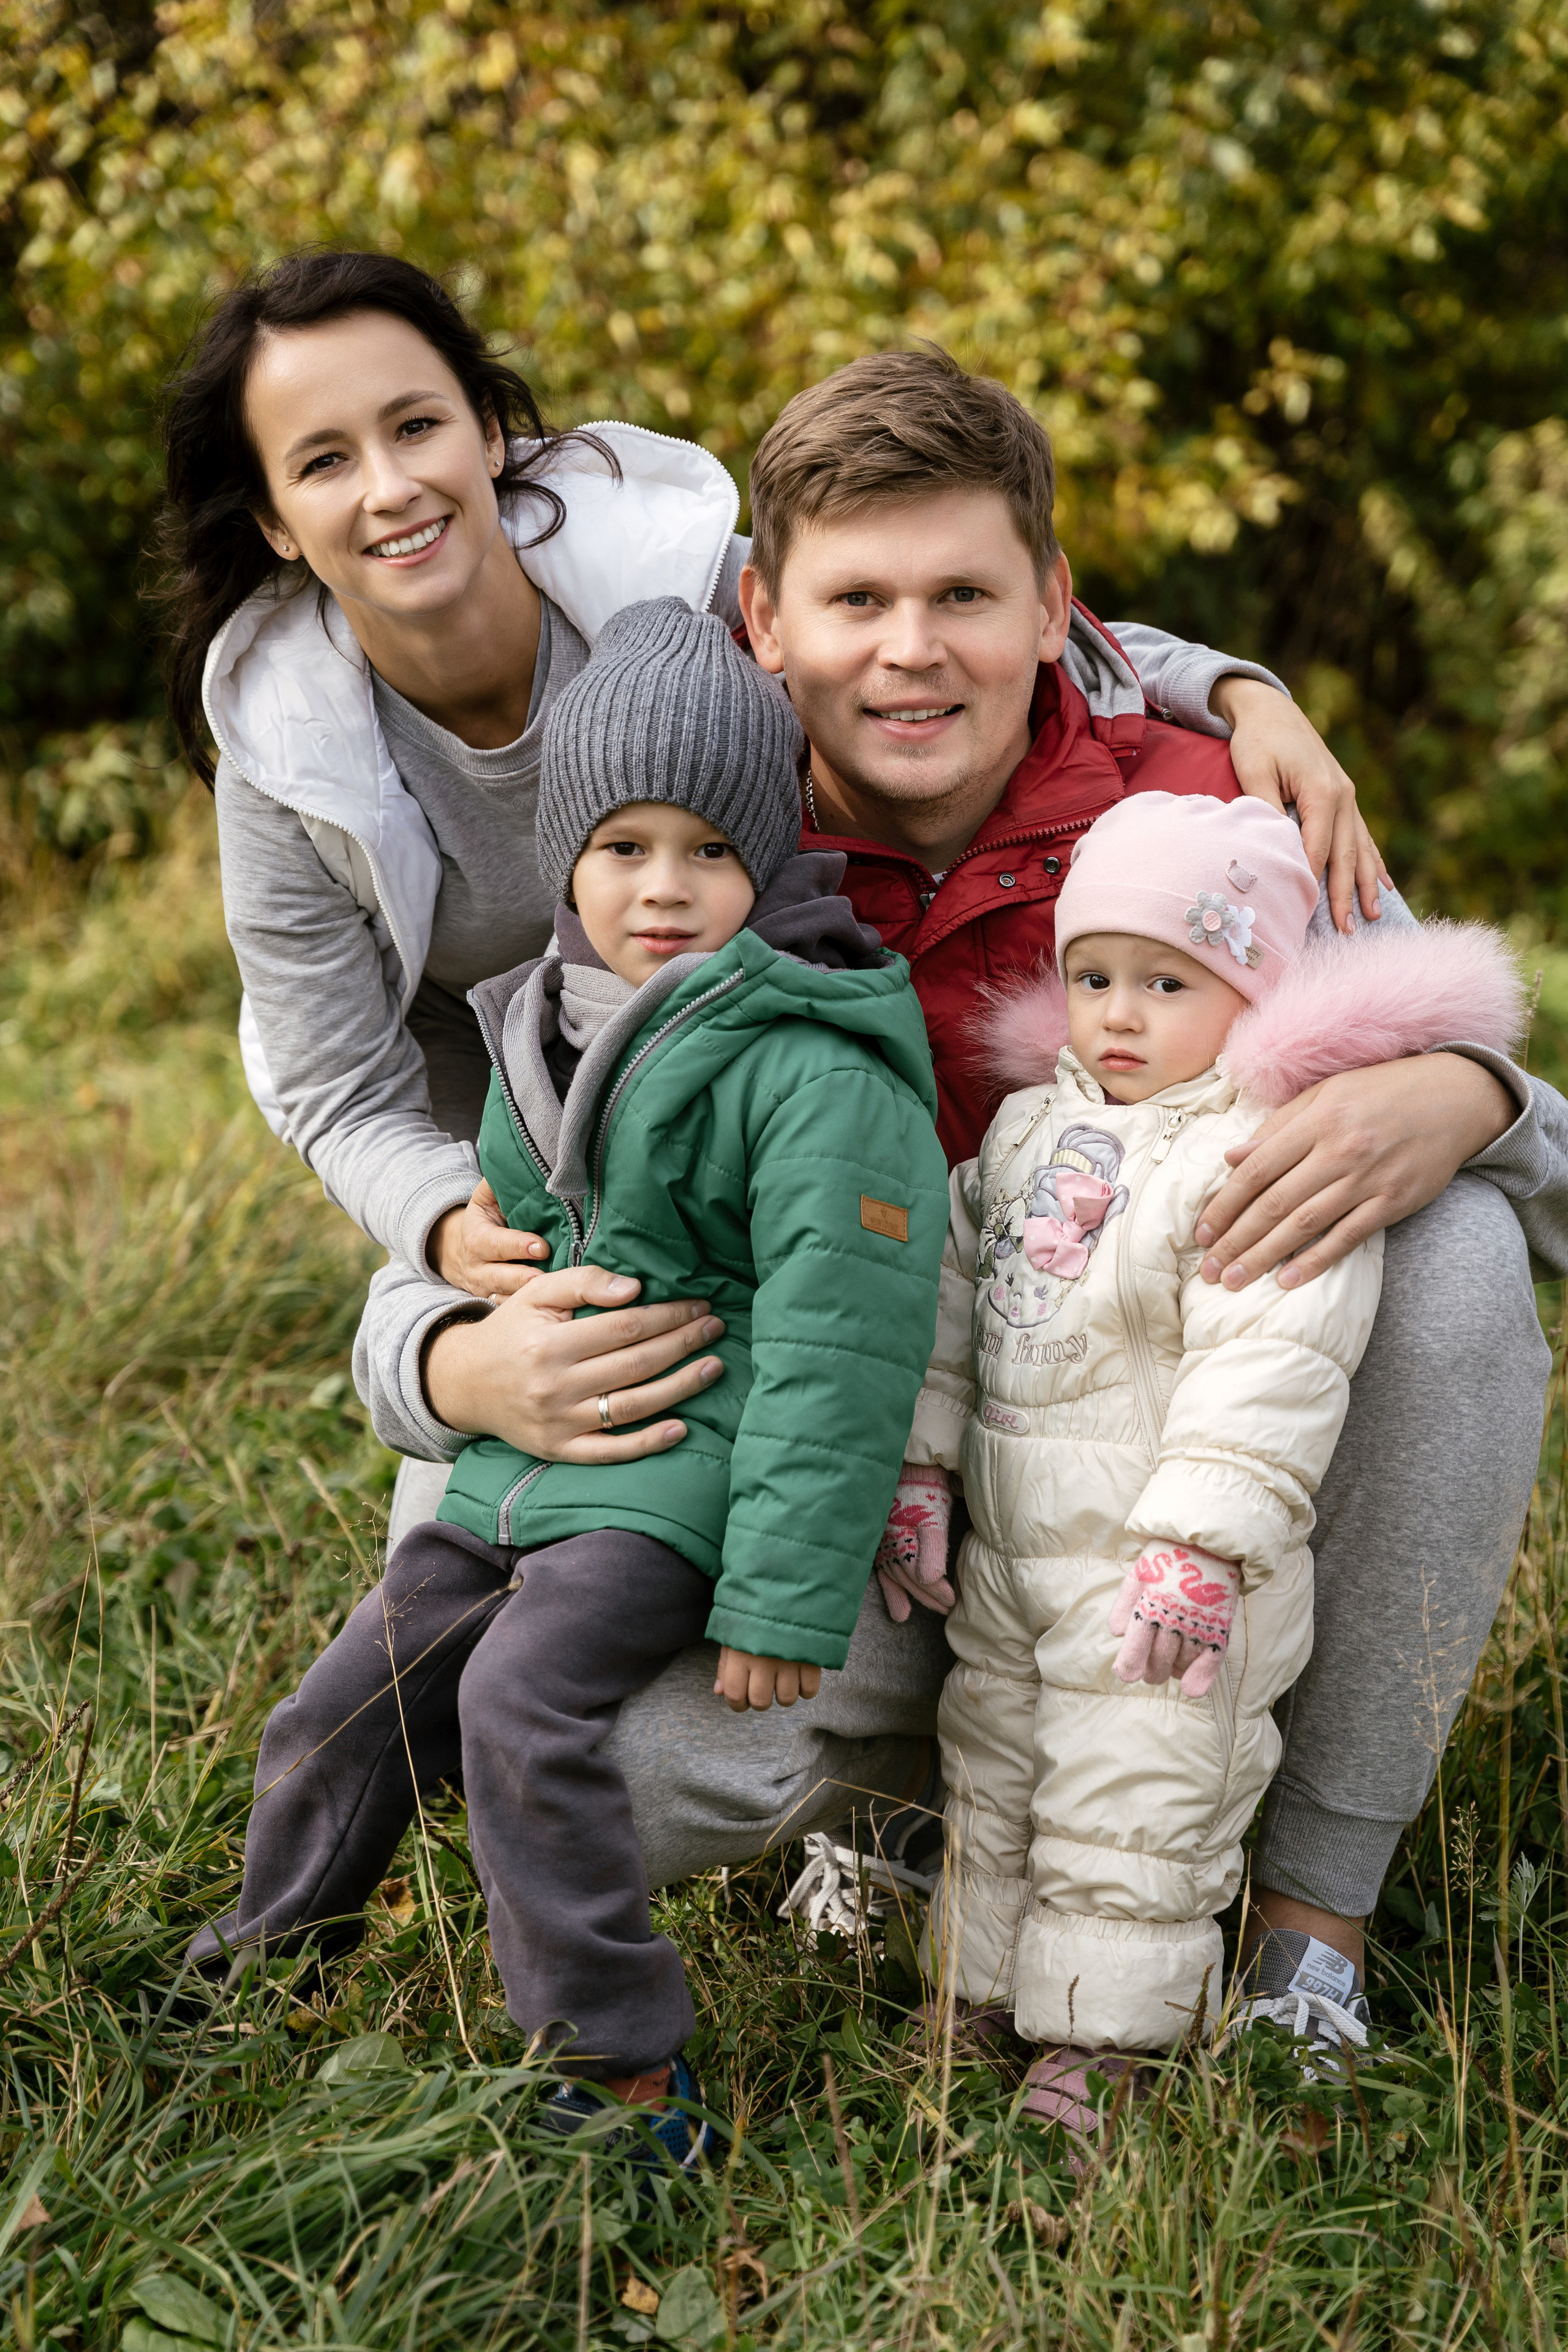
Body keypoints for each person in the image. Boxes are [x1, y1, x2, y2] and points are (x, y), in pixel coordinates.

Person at [362, 347, 1564, 2065]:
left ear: (1057, 607)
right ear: (762, 619)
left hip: (1155, 1483)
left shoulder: (1202, 821)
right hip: (850, 1477)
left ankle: (1311, 1922)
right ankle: (903, 1796)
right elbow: (479, 1212)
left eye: (964, 596)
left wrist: (1472, 1092)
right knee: (570, 1736)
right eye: (857, 598)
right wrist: (436, 1362)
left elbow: (1556, 1178)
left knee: (1442, 1251)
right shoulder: (684, 855)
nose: (911, 649)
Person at [187, 600, 950, 2160]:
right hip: (518, 1477)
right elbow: (502, 1259)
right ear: (564, 862)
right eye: (619, 849)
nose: (660, 889)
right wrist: (461, 1359)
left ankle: (617, 2071)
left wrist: (779, 1597)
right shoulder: (537, 1028)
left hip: (676, 1481)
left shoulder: (813, 1063)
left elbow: (840, 1352)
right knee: (343, 1703)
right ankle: (256, 1971)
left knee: (519, 1696)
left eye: (705, 853)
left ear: (770, 861)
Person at [884, 791, 1523, 2131]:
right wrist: (923, 1473)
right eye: (1093, 978)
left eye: (1166, 983)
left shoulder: (1255, 1153)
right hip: (1013, 1556)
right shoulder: (1024, 1133)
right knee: (992, 1770)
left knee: (1136, 1814)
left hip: (1157, 1579)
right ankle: (978, 1985)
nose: (1118, 1014)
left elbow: (1269, 1369)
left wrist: (1201, 1545)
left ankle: (1104, 2041)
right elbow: (957, 1309)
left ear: (1252, 996)